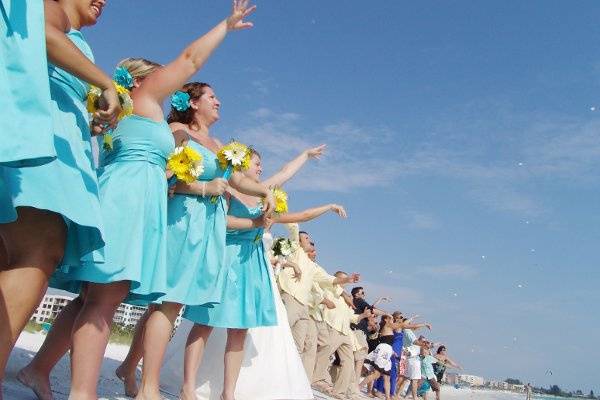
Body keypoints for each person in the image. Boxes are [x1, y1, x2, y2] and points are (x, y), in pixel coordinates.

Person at [2, 0, 120, 397]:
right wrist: (105, 82)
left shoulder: (79, 42)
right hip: (40, 153)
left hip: (57, 149)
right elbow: (43, 34)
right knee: (34, 251)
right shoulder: (50, 10)